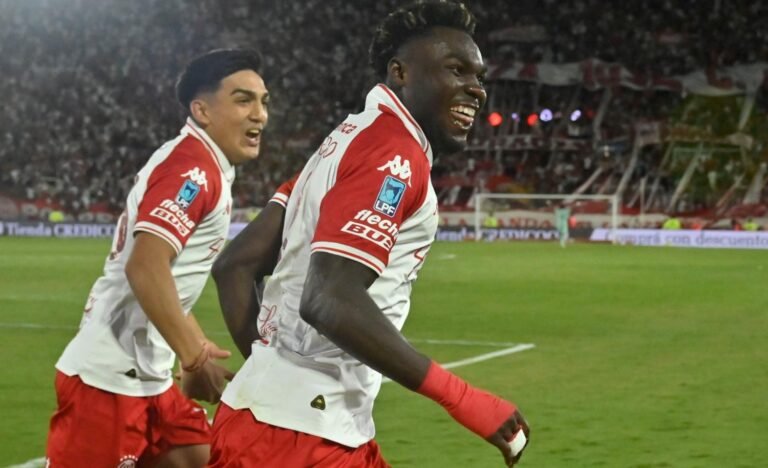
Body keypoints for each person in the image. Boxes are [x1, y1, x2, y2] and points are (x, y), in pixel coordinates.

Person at [209, 2, 530, 467]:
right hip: (301, 441)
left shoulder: (342, 142)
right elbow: (329, 298)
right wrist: (462, 397)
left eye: (478, 76)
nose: (476, 89)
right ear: (400, 72)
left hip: (287, 423)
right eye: (456, 70)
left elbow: (235, 265)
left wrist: (268, 377)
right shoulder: (394, 152)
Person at [46, 48, 271, 468]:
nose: (260, 114)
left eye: (263, 101)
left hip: (149, 382)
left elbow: (167, 277)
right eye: (243, 100)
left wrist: (193, 342)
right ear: (202, 111)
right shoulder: (193, 170)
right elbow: (145, 266)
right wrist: (193, 357)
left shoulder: (203, 164)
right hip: (107, 386)